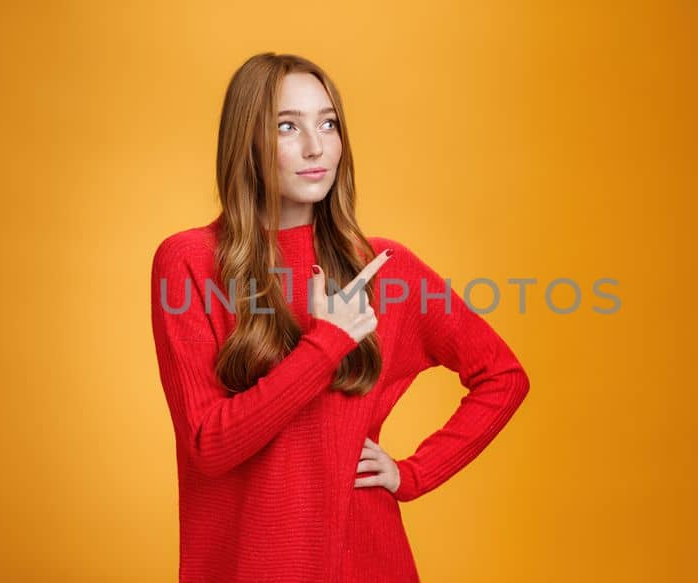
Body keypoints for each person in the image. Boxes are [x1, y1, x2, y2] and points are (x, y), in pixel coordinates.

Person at [149, 52, 530, 582]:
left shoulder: (385, 269)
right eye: (288, 126)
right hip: (249, 565)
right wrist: (327, 344)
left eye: (328, 124)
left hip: (367, 560)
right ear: (246, 143)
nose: (315, 147)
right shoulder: (189, 262)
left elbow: (503, 376)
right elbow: (210, 447)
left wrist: (413, 474)